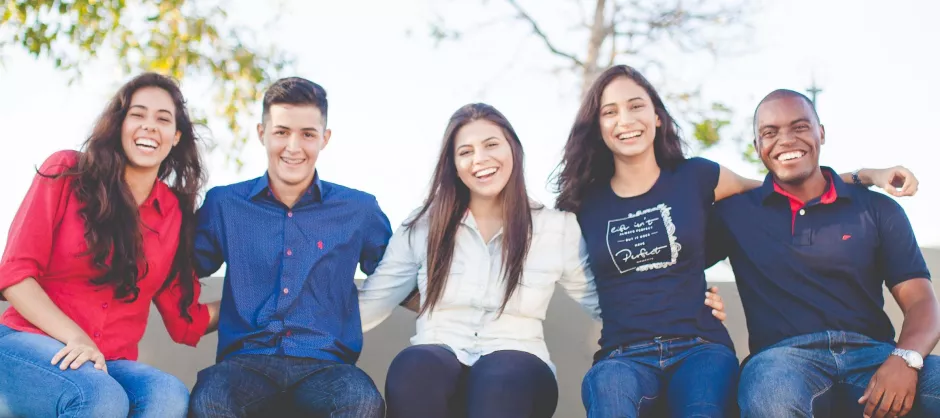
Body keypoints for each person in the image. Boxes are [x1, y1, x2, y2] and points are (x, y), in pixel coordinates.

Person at [553, 65, 918, 417]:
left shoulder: (698, 175)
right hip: (624, 353)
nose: (626, 120)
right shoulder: (584, 203)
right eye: (610, 111)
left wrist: (866, 174)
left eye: (636, 106)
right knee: (608, 387)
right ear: (597, 125)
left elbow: (786, 183)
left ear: (657, 116)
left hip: (699, 347)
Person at [356, 103, 728, 418]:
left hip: (518, 358)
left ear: (513, 150)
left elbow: (609, 302)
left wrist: (686, 301)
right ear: (453, 164)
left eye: (491, 145)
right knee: (415, 367)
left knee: (500, 377)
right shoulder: (422, 227)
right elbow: (372, 303)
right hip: (438, 348)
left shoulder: (556, 228)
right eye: (465, 151)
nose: (480, 159)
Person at [707, 89, 939, 418]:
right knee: (772, 398)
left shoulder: (876, 209)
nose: (785, 140)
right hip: (782, 360)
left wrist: (906, 359)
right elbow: (670, 265)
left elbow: (921, 301)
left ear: (821, 133)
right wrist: (701, 296)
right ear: (758, 146)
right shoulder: (735, 214)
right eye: (769, 133)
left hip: (874, 356)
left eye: (799, 127)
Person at [0, 72, 219, 418]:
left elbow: (185, 320)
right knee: (101, 398)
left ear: (175, 137)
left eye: (162, 119)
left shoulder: (173, 214)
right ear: (119, 125)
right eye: (138, 114)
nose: (149, 126)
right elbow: (14, 275)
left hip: (108, 363)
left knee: (168, 396)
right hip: (25, 344)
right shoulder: (67, 172)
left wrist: (254, 299)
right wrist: (76, 337)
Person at [187, 77, 389, 418]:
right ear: (261, 132)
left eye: (308, 134)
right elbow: (178, 267)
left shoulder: (359, 210)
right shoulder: (224, 204)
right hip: (244, 365)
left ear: (324, 139)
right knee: (209, 399)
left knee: (362, 401)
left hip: (326, 367)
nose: (293, 146)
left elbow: (400, 275)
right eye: (281, 132)